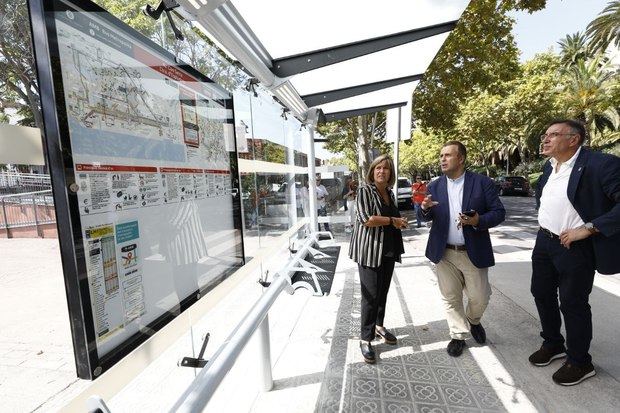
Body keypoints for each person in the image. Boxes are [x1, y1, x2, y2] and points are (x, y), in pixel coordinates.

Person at [529, 119, 620, 386]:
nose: (545, 140)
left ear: (574, 139)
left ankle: (580, 361)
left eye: (553, 135)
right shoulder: (550, 166)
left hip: (576, 247)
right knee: (541, 293)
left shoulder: (601, 164)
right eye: (545, 135)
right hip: (545, 242)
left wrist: (589, 229)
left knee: (572, 303)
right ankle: (553, 343)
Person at [419, 141, 505, 357]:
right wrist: (424, 208)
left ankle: (473, 320)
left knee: (480, 297)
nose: (442, 159)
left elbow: (499, 212)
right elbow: (421, 216)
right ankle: (458, 336)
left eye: (448, 155)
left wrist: (478, 220)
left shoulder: (482, 183)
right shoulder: (434, 186)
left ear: (461, 158)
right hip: (444, 252)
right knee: (450, 298)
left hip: (472, 251)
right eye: (441, 155)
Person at [349, 155, 408, 364]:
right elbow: (367, 219)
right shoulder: (365, 191)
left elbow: (392, 218)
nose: (382, 171)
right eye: (378, 168)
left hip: (389, 250)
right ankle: (365, 339)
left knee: (382, 292)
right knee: (370, 296)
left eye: (386, 169)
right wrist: (393, 220)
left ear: (391, 173)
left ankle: (378, 326)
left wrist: (400, 222)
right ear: (372, 171)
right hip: (369, 251)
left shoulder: (389, 193)